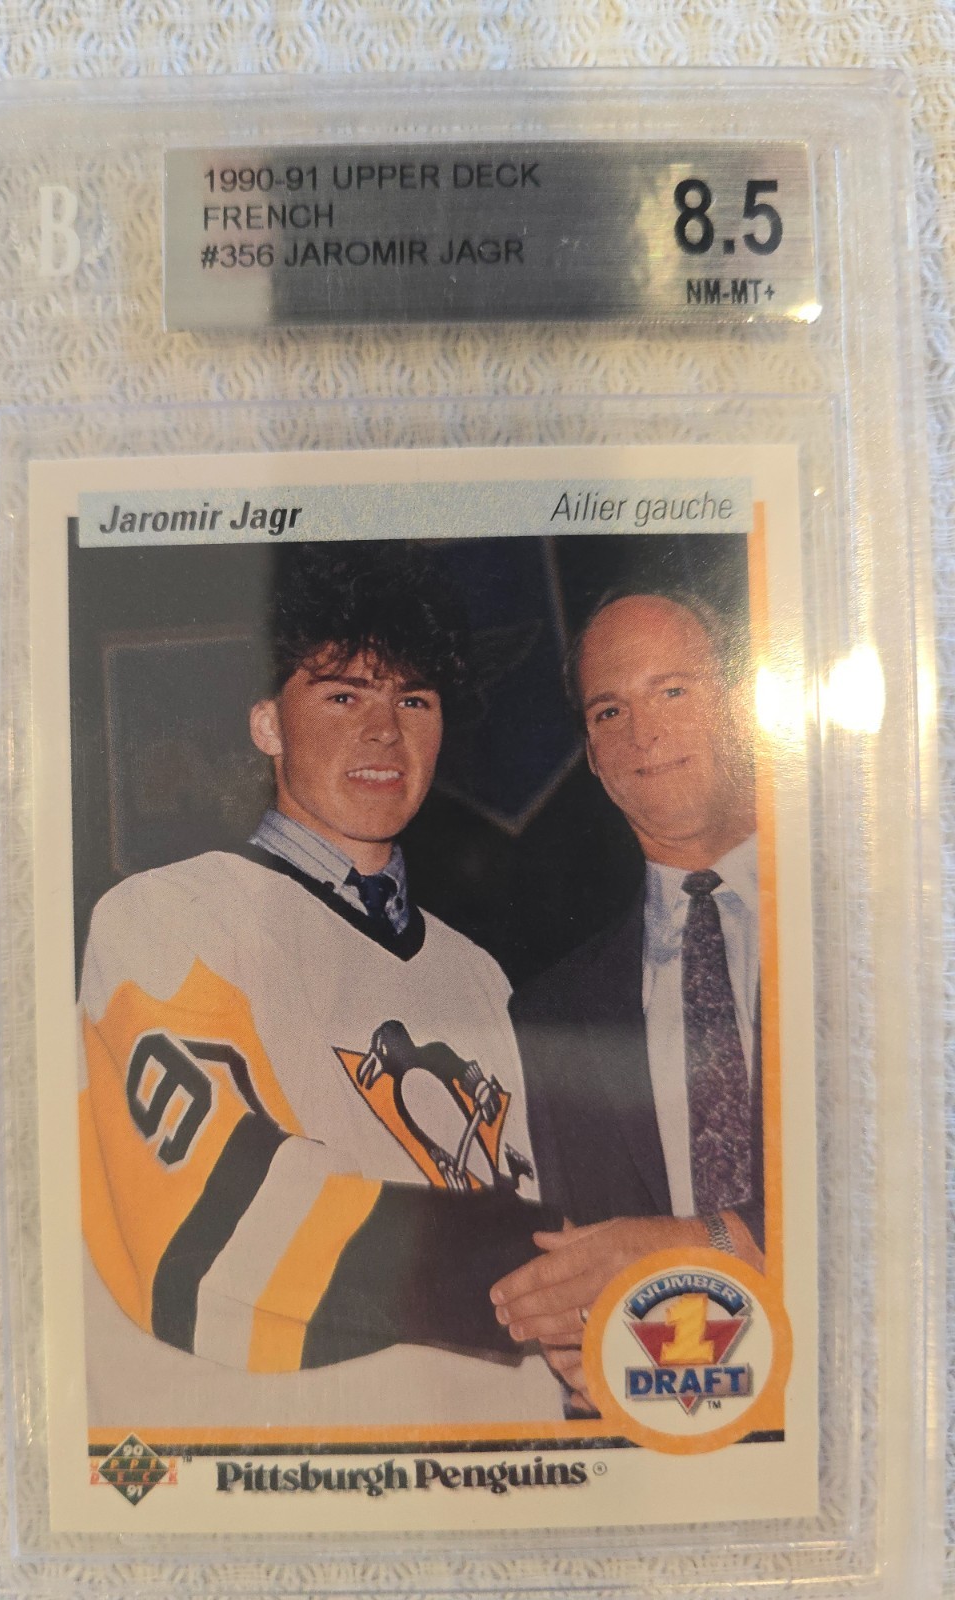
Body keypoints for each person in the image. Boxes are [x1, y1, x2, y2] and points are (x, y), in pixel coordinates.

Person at [78, 543, 563, 1420]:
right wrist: (551, 1277)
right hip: (293, 1458)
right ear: (268, 725)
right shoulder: (168, 916)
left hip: (495, 1458)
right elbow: (210, 1217)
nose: (384, 732)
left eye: (413, 700)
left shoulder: (477, 974)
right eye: (343, 695)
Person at [492, 589, 763, 1409]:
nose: (643, 735)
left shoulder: (873, 933)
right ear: (592, 753)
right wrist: (573, 1345)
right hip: (669, 1424)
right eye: (610, 711)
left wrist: (704, 1247)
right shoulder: (548, 1015)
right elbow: (565, 1262)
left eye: (672, 691)